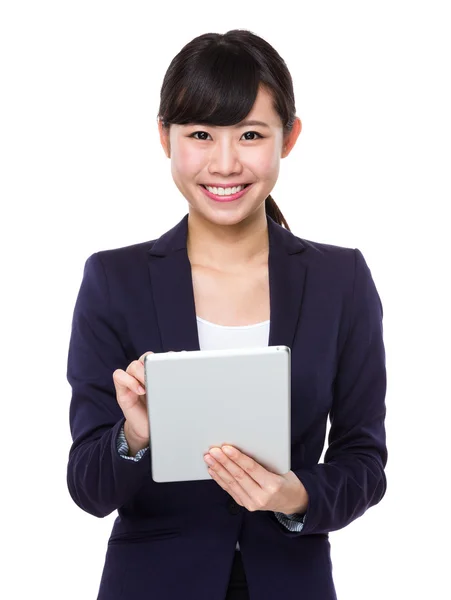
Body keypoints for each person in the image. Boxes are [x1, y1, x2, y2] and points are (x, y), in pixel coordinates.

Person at [66, 29, 387, 600]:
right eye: (199, 134)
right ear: (164, 138)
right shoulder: (113, 281)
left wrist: (294, 496)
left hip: (292, 583)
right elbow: (88, 489)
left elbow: (363, 461)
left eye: (250, 134)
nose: (225, 162)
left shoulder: (341, 281)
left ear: (289, 138)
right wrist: (135, 435)